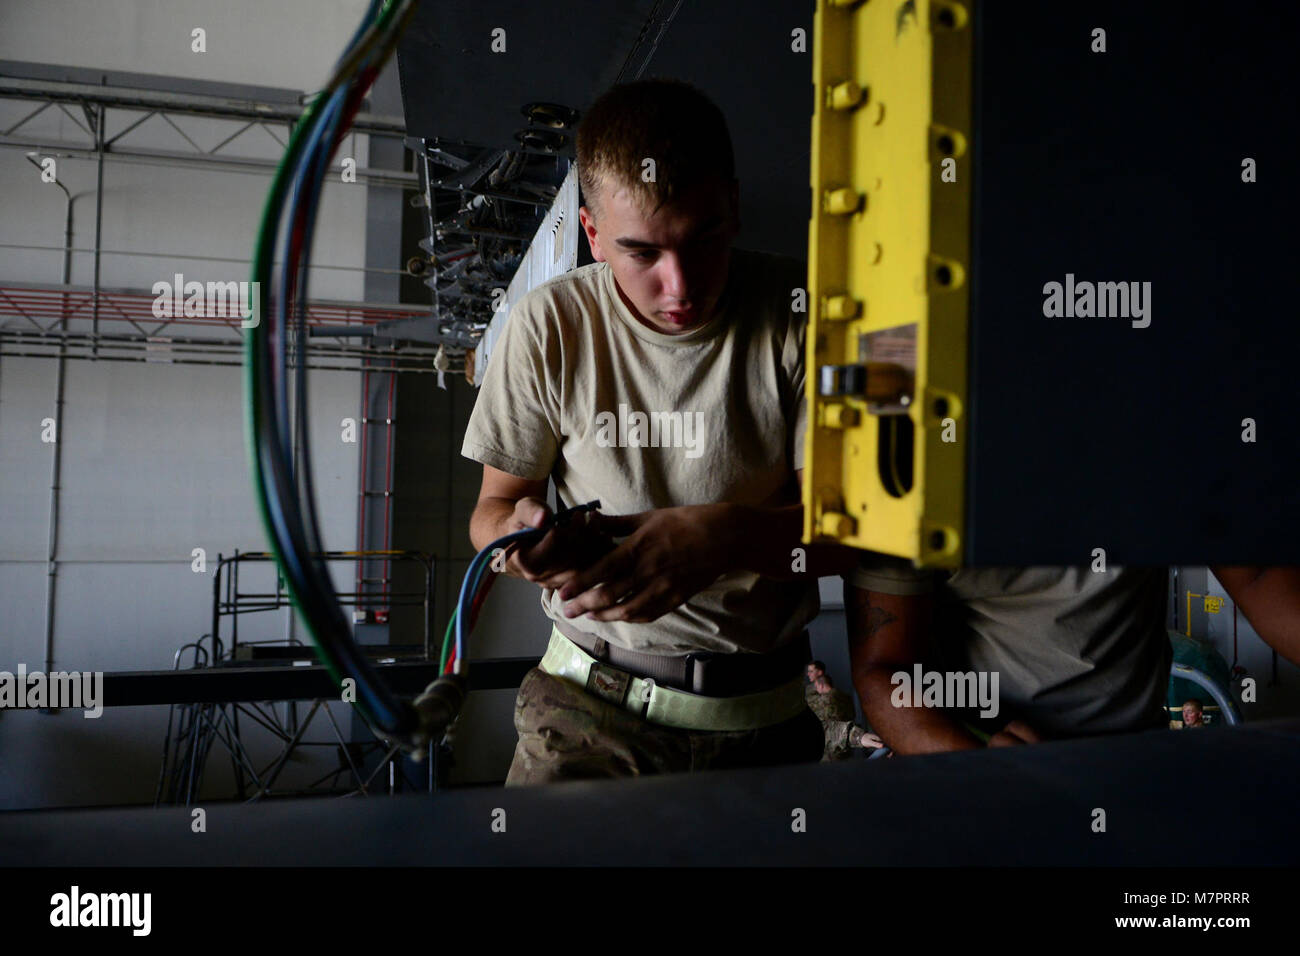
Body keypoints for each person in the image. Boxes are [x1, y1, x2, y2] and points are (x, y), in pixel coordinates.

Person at [462, 79, 855, 786]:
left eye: (703, 241)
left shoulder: (810, 319)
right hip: (583, 718)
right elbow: (490, 514)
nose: (679, 287)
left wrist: (727, 537)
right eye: (642, 253)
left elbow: (856, 536)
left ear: (732, 207)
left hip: (763, 731)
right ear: (592, 234)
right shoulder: (548, 326)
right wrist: (520, 543)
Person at [843, 560, 1300, 754]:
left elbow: (1260, 578)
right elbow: (884, 670)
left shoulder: (1163, 420)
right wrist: (975, 761)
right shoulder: (915, 449)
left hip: (1131, 760)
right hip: (978, 762)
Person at [804, 667, 882, 760]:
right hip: (847, 746)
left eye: (816, 687)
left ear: (820, 686)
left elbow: (820, 728)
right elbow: (853, 715)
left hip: (831, 751)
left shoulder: (822, 702)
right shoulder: (846, 697)